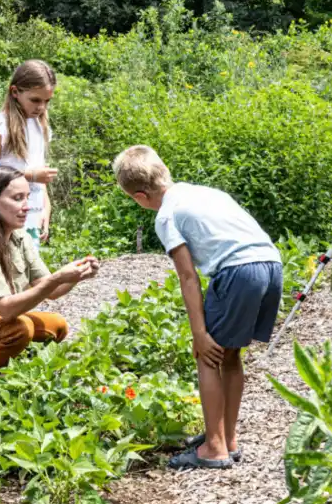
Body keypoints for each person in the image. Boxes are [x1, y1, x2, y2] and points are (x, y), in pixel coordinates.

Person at [111, 146, 282, 470]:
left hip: (239, 272)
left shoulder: (166, 216)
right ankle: (226, 438)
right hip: (271, 264)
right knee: (229, 355)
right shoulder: (203, 193)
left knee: (207, 354)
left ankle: (214, 448)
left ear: (140, 196)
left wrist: (199, 333)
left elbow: (188, 277)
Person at [0, 164, 99, 418]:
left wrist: (77, 275)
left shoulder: (18, 236)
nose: (27, 206)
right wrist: (56, 278)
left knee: (56, 325)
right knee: (19, 328)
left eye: (27, 197)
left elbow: (51, 290)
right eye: (17, 198)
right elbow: (7, 308)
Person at [0, 60, 58, 245]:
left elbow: (40, 178)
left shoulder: (40, 126)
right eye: (35, 100)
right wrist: (30, 175)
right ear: (15, 92)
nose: (41, 107)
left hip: (32, 209)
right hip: (4, 213)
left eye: (46, 101)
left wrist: (46, 209)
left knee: (27, 265)